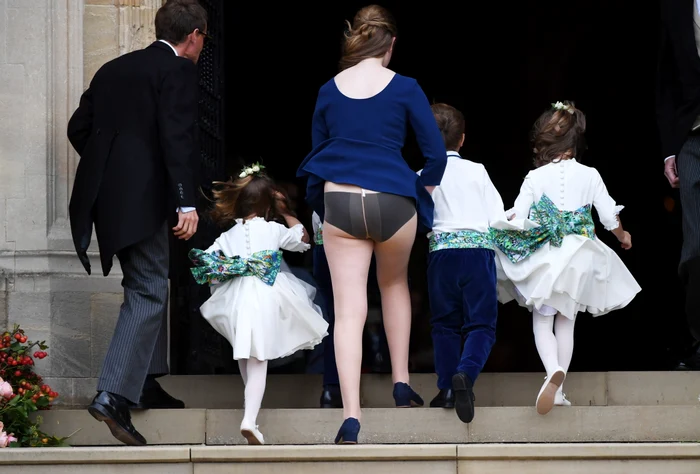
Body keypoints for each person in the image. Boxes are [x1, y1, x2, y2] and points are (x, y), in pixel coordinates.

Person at [297, 4, 447, 444]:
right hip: (394, 199)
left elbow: (316, 157)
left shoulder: (328, 89)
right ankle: (402, 383)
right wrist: (425, 193)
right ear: (391, 45)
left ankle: (351, 416)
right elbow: (435, 156)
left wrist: (318, 205)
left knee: (348, 311)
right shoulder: (406, 87)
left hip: (340, 200)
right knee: (395, 285)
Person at [66, 0, 206, 446]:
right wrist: (186, 203)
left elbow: (78, 128)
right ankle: (112, 395)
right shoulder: (178, 69)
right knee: (148, 287)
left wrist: (114, 171)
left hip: (108, 200)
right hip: (145, 200)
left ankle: (142, 382)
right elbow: (176, 138)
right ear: (195, 35)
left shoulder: (113, 68)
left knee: (145, 283)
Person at [490, 101, 641, 416]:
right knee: (567, 324)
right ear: (575, 141)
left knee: (542, 320)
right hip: (580, 256)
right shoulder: (590, 174)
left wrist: (497, 228)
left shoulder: (535, 177)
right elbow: (609, 217)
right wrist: (624, 236)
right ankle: (557, 389)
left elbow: (518, 214)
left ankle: (552, 373)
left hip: (548, 257)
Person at [188, 164, 329, 445]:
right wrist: (287, 212)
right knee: (259, 360)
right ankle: (249, 420)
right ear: (267, 204)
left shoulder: (227, 235)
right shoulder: (274, 229)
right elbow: (303, 239)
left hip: (236, 300)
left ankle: (250, 407)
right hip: (265, 297)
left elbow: (204, 260)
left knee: (246, 356)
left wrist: (230, 266)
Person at [422, 103, 506, 423]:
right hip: (477, 255)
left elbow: (418, 218)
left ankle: (446, 388)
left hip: (441, 255)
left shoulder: (422, 176)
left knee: (443, 324)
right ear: (463, 139)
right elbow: (497, 217)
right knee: (481, 324)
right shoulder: (478, 170)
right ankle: (466, 375)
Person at [657, 1, 700, 347]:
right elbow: (666, 82)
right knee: (696, 243)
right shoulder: (674, 7)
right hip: (692, 137)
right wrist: (670, 148)